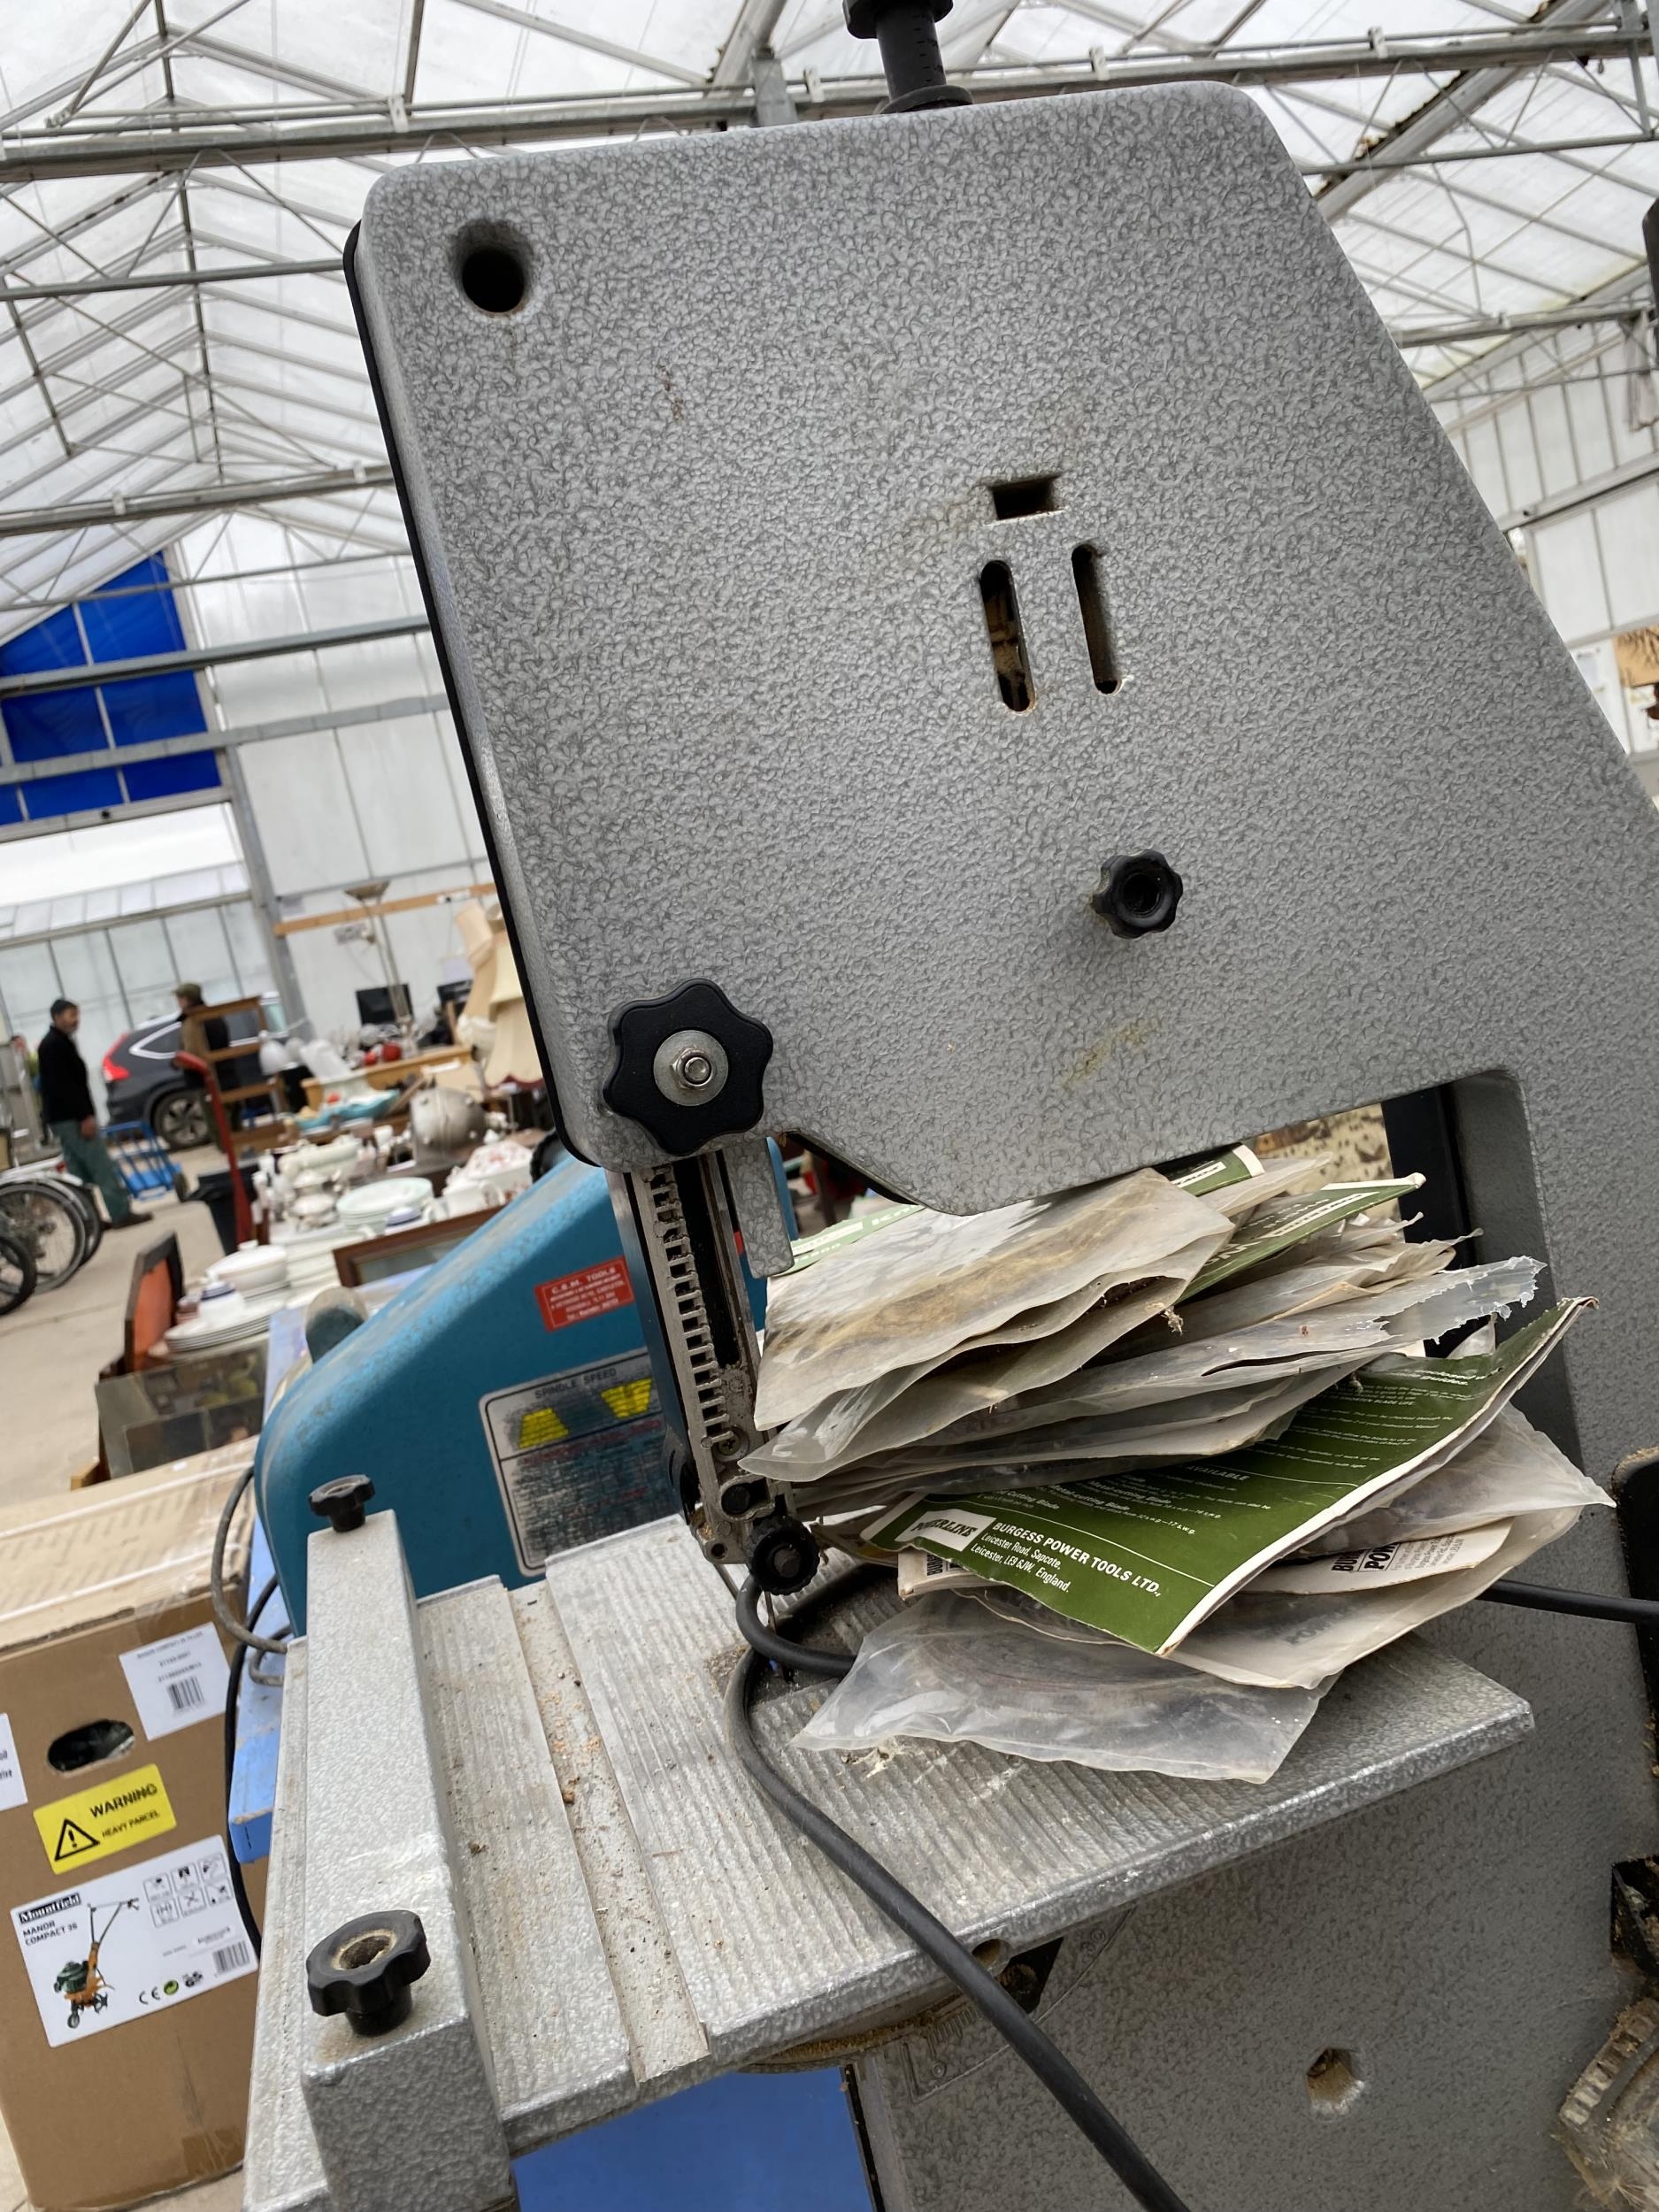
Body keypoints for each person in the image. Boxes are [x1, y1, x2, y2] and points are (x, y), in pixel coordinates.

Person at [35, 1000, 150, 1229]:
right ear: (57, 1017)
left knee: (79, 1171)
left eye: (77, 1015)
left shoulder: (57, 1043)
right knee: (100, 1166)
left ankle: (90, 1220)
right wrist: (85, 1117)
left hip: (62, 1118)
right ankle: (120, 1213)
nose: (75, 1020)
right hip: (72, 1118)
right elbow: (65, 1087)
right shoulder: (54, 1046)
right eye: (70, 1015)